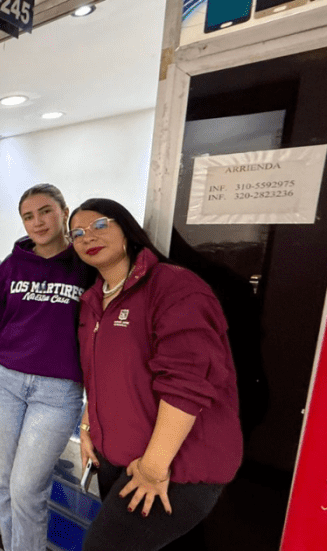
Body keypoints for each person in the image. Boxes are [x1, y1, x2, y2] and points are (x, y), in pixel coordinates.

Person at [69, 198, 243, 551]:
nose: (88, 237)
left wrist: (153, 467)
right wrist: (88, 429)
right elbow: (99, 376)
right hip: (117, 459)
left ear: (128, 231)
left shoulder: (173, 286)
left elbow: (188, 382)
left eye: (99, 225)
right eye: (77, 233)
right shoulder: (91, 301)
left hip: (173, 468)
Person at [0, 184, 92, 551]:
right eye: (28, 216)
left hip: (58, 392)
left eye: (45, 211)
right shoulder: (11, 266)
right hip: (3, 381)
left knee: (27, 488)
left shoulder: (85, 267)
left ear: (64, 211)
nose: (37, 222)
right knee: (5, 483)